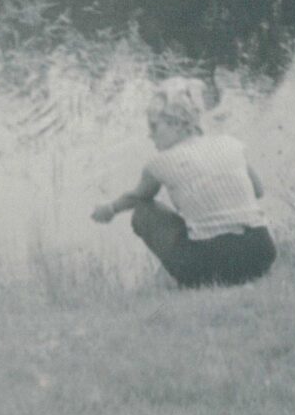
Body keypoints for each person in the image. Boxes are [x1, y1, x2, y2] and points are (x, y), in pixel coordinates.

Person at [91, 79, 276, 288]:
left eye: (154, 126)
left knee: (144, 211)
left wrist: (110, 209)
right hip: (261, 253)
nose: (150, 135)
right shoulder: (230, 143)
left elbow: (137, 198)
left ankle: (195, 281)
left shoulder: (159, 163)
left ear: (178, 124)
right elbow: (258, 191)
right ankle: (245, 274)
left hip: (211, 266)